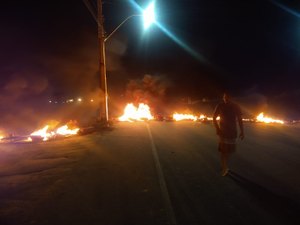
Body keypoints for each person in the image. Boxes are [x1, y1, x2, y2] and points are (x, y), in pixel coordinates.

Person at [213, 92, 244, 176]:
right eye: (224, 97)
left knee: (229, 151)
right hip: (223, 132)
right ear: (223, 98)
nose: (225, 99)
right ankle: (224, 168)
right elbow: (214, 118)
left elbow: (240, 119)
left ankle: (225, 166)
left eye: (227, 97)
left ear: (231, 98)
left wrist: (242, 131)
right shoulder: (220, 105)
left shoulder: (236, 106)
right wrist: (217, 129)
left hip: (232, 132)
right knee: (223, 151)